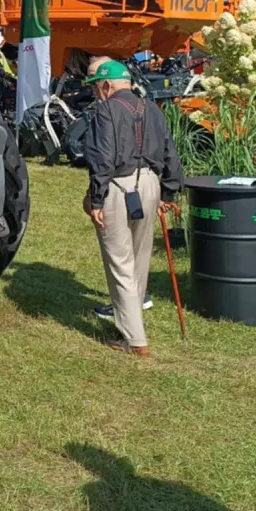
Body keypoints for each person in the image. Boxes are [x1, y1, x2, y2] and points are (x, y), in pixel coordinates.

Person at [80, 59, 184, 356]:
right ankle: (130, 323)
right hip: (150, 185)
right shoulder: (153, 109)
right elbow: (170, 151)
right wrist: (170, 192)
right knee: (139, 260)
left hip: (117, 186)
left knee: (119, 262)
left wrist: (96, 199)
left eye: (96, 87)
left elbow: (102, 157)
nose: (95, 93)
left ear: (107, 85)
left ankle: (134, 340)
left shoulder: (105, 110)